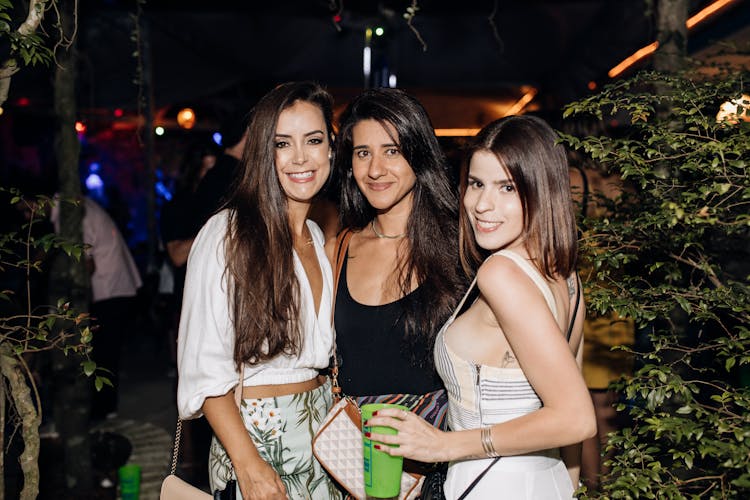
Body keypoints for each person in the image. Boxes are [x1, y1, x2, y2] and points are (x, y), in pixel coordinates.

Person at [365, 115, 597, 499]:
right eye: (476, 184)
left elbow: (575, 417)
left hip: (492, 484)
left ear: (541, 190)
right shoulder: (565, 277)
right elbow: (569, 412)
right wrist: (565, 488)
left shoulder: (501, 274)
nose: (483, 205)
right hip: (546, 482)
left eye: (507, 187)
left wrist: (443, 445)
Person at [177, 81, 342, 500]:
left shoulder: (319, 238)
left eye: (314, 140)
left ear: (331, 150)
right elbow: (206, 372)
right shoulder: (227, 234)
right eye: (282, 143)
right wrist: (249, 466)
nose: (301, 157)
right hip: (255, 444)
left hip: (324, 448)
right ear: (261, 153)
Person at [331, 88, 465, 487]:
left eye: (392, 150)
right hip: (353, 463)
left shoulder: (461, 248)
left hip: (439, 467)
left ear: (418, 153)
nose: (375, 169)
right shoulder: (339, 247)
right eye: (362, 153)